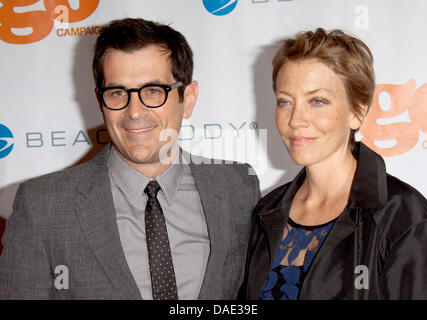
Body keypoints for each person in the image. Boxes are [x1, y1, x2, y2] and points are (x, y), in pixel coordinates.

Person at [0, 18, 260, 300]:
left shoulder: (238, 188)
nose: (134, 111)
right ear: (101, 102)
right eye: (117, 92)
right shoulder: (43, 205)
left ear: (189, 98)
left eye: (153, 91)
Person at [243, 28, 427, 299]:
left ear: (357, 112)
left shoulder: (403, 216)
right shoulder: (266, 212)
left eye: (317, 101)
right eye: (285, 101)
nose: (296, 119)